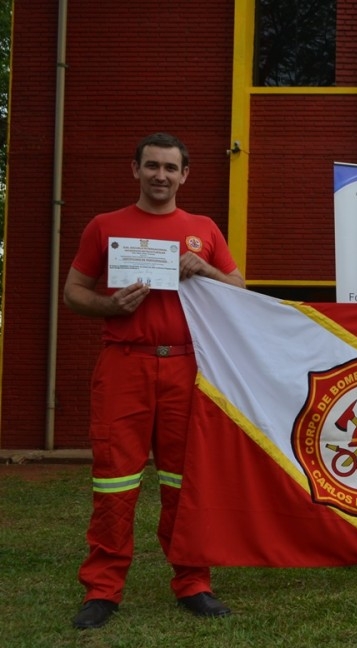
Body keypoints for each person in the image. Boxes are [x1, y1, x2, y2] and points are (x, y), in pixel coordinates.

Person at [64, 132, 247, 630]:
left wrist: (205, 267)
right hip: (125, 363)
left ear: (185, 175)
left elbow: (239, 288)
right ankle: (102, 589)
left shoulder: (203, 228)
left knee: (185, 481)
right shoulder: (106, 227)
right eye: (152, 166)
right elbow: (73, 291)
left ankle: (193, 582)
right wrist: (109, 305)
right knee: (114, 479)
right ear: (135, 169)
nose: (161, 175)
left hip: (187, 366)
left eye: (170, 168)